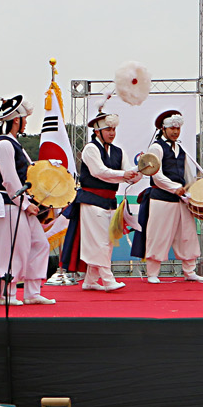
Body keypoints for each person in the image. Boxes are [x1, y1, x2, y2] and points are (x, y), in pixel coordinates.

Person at [59, 110, 141, 291]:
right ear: (97, 131)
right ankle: (108, 279)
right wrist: (125, 174)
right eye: (108, 129)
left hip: (109, 202)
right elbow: (99, 172)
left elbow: (129, 176)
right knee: (100, 241)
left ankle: (90, 280)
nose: (112, 133)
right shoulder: (90, 149)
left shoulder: (119, 151)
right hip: (91, 201)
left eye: (113, 129)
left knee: (107, 241)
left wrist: (141, 170)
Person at [0, 95, 54, 305]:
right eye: (25, 119)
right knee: (12, 247)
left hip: (19, 204)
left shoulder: (14, 144)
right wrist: (25, 204)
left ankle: (32, 292)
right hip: (9, 204)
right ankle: (7, 294)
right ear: (16, 120)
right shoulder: (4, 144)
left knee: (39, 244)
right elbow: (9, 179)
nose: (26, 123)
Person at [132, 109, 203, 283]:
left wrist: (191, 190)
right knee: (158, 235)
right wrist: (175, 188)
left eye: (178, 128)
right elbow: (155, 174)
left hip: (181, 200)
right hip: (161, 199)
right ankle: (152, 273)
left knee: (187, 235)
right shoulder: (156, 147)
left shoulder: (180, 148)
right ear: (163, 129)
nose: (175, 131)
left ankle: (189, 271)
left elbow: (187, 174)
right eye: (172, 128)